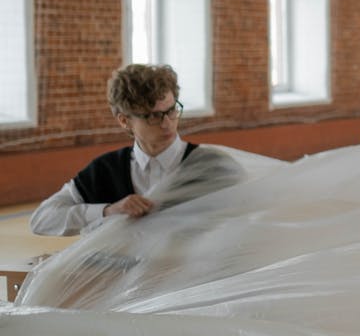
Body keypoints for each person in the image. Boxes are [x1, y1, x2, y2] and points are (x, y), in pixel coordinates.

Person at [30, 64, 237, 237]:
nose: (167, 123)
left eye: (171, 110)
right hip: (122, 281)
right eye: (153, 116)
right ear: (124, 121)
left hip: (198, 280)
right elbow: (42, 219)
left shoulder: (212, 165)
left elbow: (249, 219)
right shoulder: (105, 171)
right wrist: (108, 211)